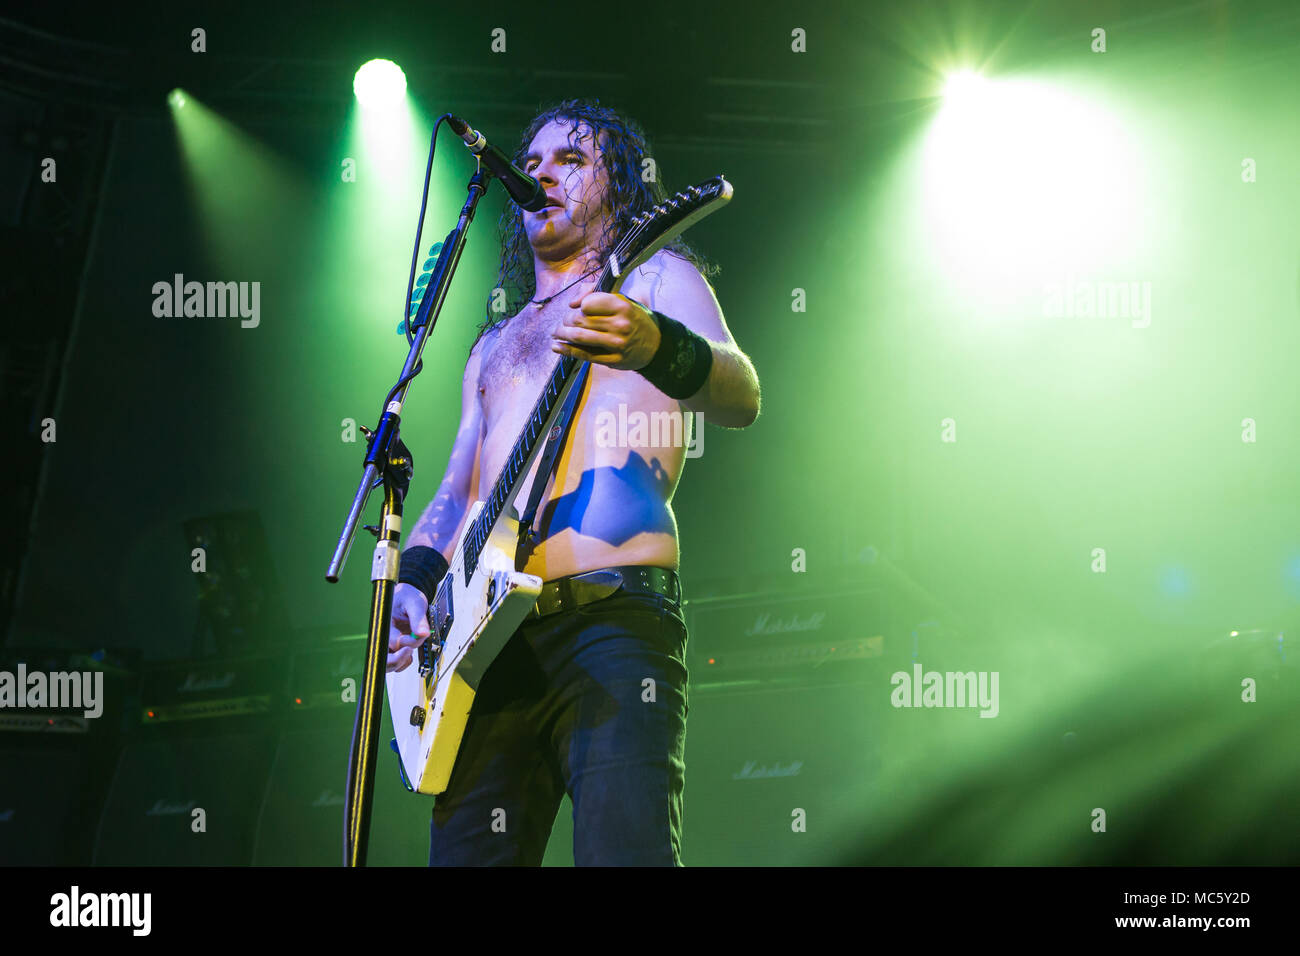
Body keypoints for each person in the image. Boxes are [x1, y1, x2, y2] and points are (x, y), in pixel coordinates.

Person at [386, 98, 760, 865]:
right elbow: (458, 492)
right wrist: (414, 584)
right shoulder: (493, 345)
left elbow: (742, 396)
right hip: (481, 646)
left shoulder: (657, 276)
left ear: (617, 186)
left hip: (612, 621)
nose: (542, 174)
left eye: (572, 160)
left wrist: (657, 344)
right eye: (533, 163)